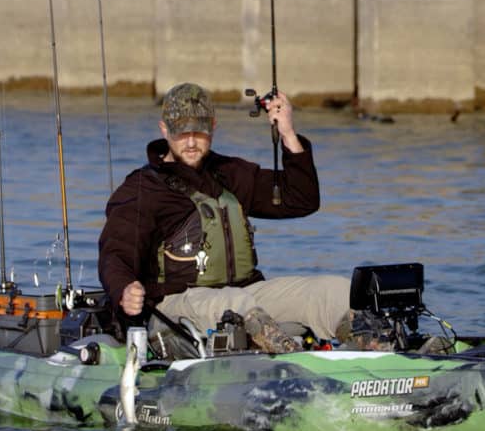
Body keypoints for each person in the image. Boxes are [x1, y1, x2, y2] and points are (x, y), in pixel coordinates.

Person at [98, 82, 354, 354]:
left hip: (247, 293)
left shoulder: (229, 174)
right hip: (175, 304)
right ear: (164, 129)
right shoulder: (143, 190)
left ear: (214, 127)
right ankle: (292, 358)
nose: (192, 142)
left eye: (200, 132)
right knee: (232, 303)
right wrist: (124, 290)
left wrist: (288, 134)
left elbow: (301, 200)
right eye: (182, 133)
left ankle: (375, 349)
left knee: (333, 290)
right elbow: (115, 253)